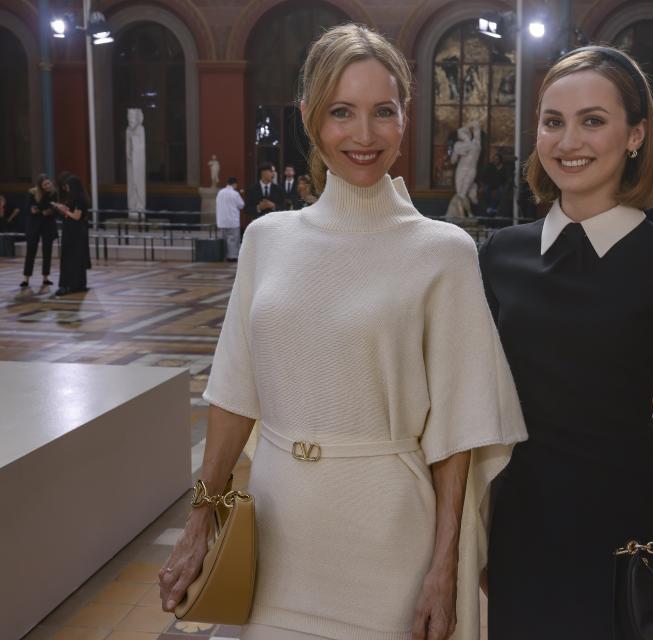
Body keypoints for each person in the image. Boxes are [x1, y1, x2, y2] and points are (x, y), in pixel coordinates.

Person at [158, 24, 526, 640]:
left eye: (383, 112)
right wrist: (200, 519)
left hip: (388, 541)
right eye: (341, 112)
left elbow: (459, 431)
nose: (363, 134)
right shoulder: (266, 240)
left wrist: (444, 567)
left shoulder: (444, 252)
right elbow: (234, 395)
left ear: (405, 118)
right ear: (308, 116)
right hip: (272, 532)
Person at [481, 46, 653, 639]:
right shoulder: (502, 254)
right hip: (523, 529)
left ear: (636, 135)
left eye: (593, 120)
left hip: (633, 533)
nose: (568, 140)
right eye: (554, 122)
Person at [51, 174, 91, 297]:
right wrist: (64, 208)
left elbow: (77, 216)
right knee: (70, 257)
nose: (66, 189)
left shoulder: (80, 198)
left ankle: (71, 285)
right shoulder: (74, 198)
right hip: (70, 229)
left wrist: (65, 210)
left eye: (68, 186)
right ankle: (76, 284)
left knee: (74, 258)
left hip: (76, 231)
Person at [20, 175, 59, 289]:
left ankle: (45, 277)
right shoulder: (32, 193)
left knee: (47, 251)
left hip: (48, 225)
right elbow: (29, 209)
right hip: (34, 225)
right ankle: (26, 278)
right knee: (31, 250)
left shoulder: (54, 193)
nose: (48, 185)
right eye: (45, 184)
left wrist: (47, 211)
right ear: (40, 186)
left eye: (49, 183)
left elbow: (55, 210)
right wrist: (40, 210)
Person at [243, 163, 283, 227]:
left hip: (274, 224)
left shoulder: (278, 189)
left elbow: (284, 207)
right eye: (271, 171)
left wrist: (273, 206)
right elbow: (246, 209)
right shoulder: (252, 189)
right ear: (263, 172)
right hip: (258, 224)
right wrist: (258, 207)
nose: (273, 174)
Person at [216, 177, 244, 261]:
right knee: (233, 240)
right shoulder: (235, 194)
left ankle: (224, 256)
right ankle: (232, 257)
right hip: (233, 221)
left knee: (224, 240)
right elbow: (241, 205)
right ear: (234, 184)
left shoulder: (220, 192)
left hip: (222, 221)